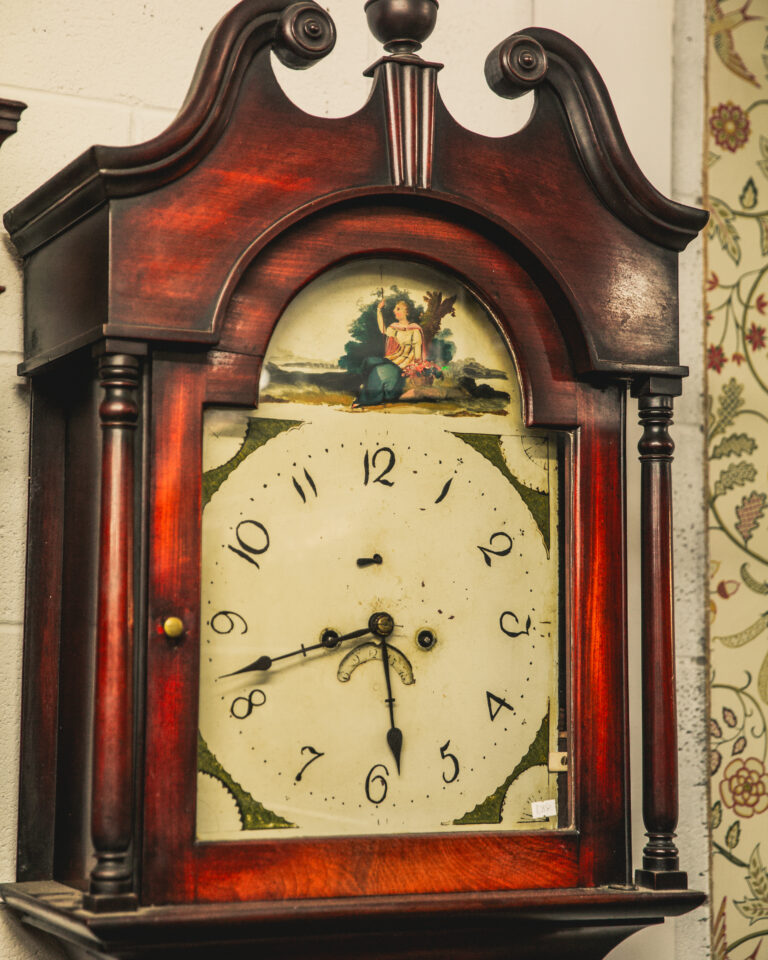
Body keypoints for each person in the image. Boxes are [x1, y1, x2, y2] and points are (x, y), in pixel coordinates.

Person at [352, 299, 424, 407]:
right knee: (368, 361)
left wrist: (414, 368)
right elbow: (383, 330)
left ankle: (366, 400)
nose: (395, 311)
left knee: (379, 371)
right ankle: (367, 388)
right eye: (395, 308)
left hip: (403, 364)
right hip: (392, 358)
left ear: (407, 312)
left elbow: (417, 352)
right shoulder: (394, 327)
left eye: (398, 309)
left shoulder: (415, 330)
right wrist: (378, 310)